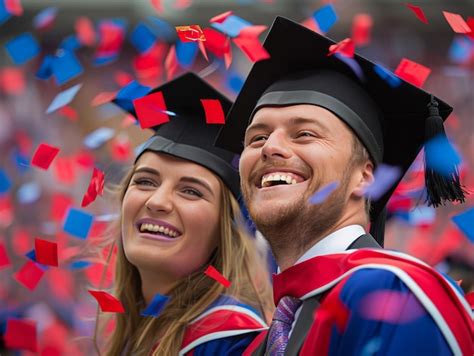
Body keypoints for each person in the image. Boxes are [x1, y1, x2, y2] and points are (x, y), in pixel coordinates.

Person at [216, 17, 473, 355]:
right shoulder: (266, 341)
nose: (269, 147)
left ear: (364, 177)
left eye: (304, 133)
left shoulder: (391, 297)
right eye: (257, 137)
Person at [94, 72, 273, 356]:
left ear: (225, 228)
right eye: (145, 181)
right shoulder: (140, 331)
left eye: (191, 191)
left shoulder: (229, 342)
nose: (158, 201)